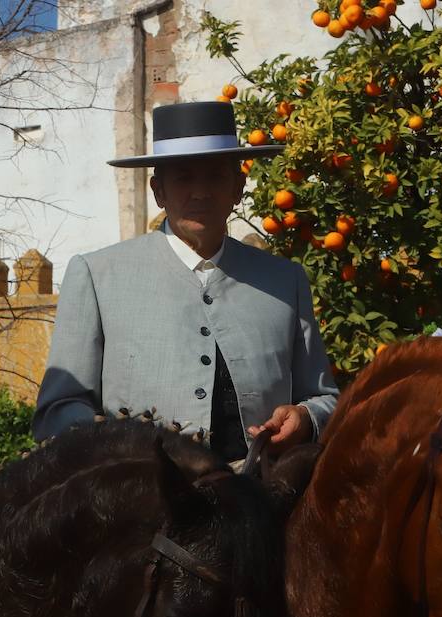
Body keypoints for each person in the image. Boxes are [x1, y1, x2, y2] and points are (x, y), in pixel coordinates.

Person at [33, 101, 338, 462]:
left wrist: (305, 419)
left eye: (214, 176)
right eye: (183, 177)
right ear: (158, 191)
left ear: (238, 187)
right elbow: (57, 410)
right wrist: (114, 442)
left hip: (264, 502)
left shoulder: (284, 281)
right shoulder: (98, 276)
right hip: (141, 506)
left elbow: (325, 398)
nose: (200, 192)